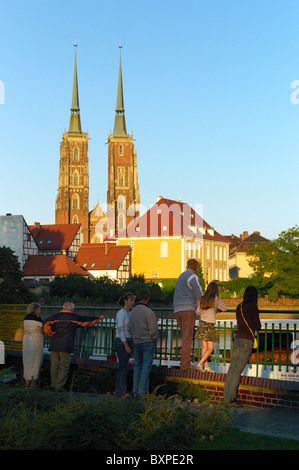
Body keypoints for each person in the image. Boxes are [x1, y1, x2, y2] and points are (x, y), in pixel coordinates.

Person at [43, 302, 104, 391]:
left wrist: (50, 332)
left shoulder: (55, 316)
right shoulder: (74, 317)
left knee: (54, 366)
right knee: (63, 366)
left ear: (63, 308)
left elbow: (44, 323)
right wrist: (99, 318)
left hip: (54, 344)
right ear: (72, 309)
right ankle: (58, 387)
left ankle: (53, 385)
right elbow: (86, 321)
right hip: (66, 345)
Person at [223, 286, 261, 405]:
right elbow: (257, 326)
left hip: (237, 339)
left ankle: (225, 398)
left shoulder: (239, 306)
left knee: (232, 369)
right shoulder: (253, 307)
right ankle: (231, 399)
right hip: (247, 340)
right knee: (237, 370)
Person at [173, 259, 203, 370]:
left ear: (186, 267)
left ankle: (183, 361)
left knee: (184, 335)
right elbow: (200, 295)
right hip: (187, 310)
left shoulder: (181, 276)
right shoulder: (193, 277)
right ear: (197, 268)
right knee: (187, 337)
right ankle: (185, 364)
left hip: (177, 309)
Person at [128, 289, 158, 397]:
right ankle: (142, 392)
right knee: (146, 367)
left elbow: (129, 328)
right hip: (148, 342)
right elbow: (153, 329)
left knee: (137, 366)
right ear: (148, 298)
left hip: (137, 341)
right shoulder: (149, 312)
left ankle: (135, 391)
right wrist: (153, 338)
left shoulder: (133, 312)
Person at [195, 281, 227, 372]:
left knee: (204, 347)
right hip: (210, 326)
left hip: (202, 324)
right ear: (215, 290)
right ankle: (199, 364)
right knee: (210, 348)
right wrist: (216, 309)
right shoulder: (215, 299)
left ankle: (206, 367)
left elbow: (197, 312)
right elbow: (224, 308)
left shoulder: (202, 299)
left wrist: (205, 310)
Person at [114, 292, 136, 398]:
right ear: (125, 301)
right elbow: (120, 329)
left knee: (124, 366)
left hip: (127, 340)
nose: (133, 302)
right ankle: (121, 391)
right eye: (131, 300)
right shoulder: (121, 313)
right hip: (121, 341)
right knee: (123, 366)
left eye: (134, 300)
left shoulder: (129, 314)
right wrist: (126, 345)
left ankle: (120, 390)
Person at [22, 302, 43, 389]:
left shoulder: (25, 319)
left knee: (27, 361)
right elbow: (43, 330)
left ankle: (26, 384)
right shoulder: (37, 320)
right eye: (39, 309)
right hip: (35, 341)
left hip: (26, 341)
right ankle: (33, 384)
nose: (40, 311)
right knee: (35, 361)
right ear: (35, 309)